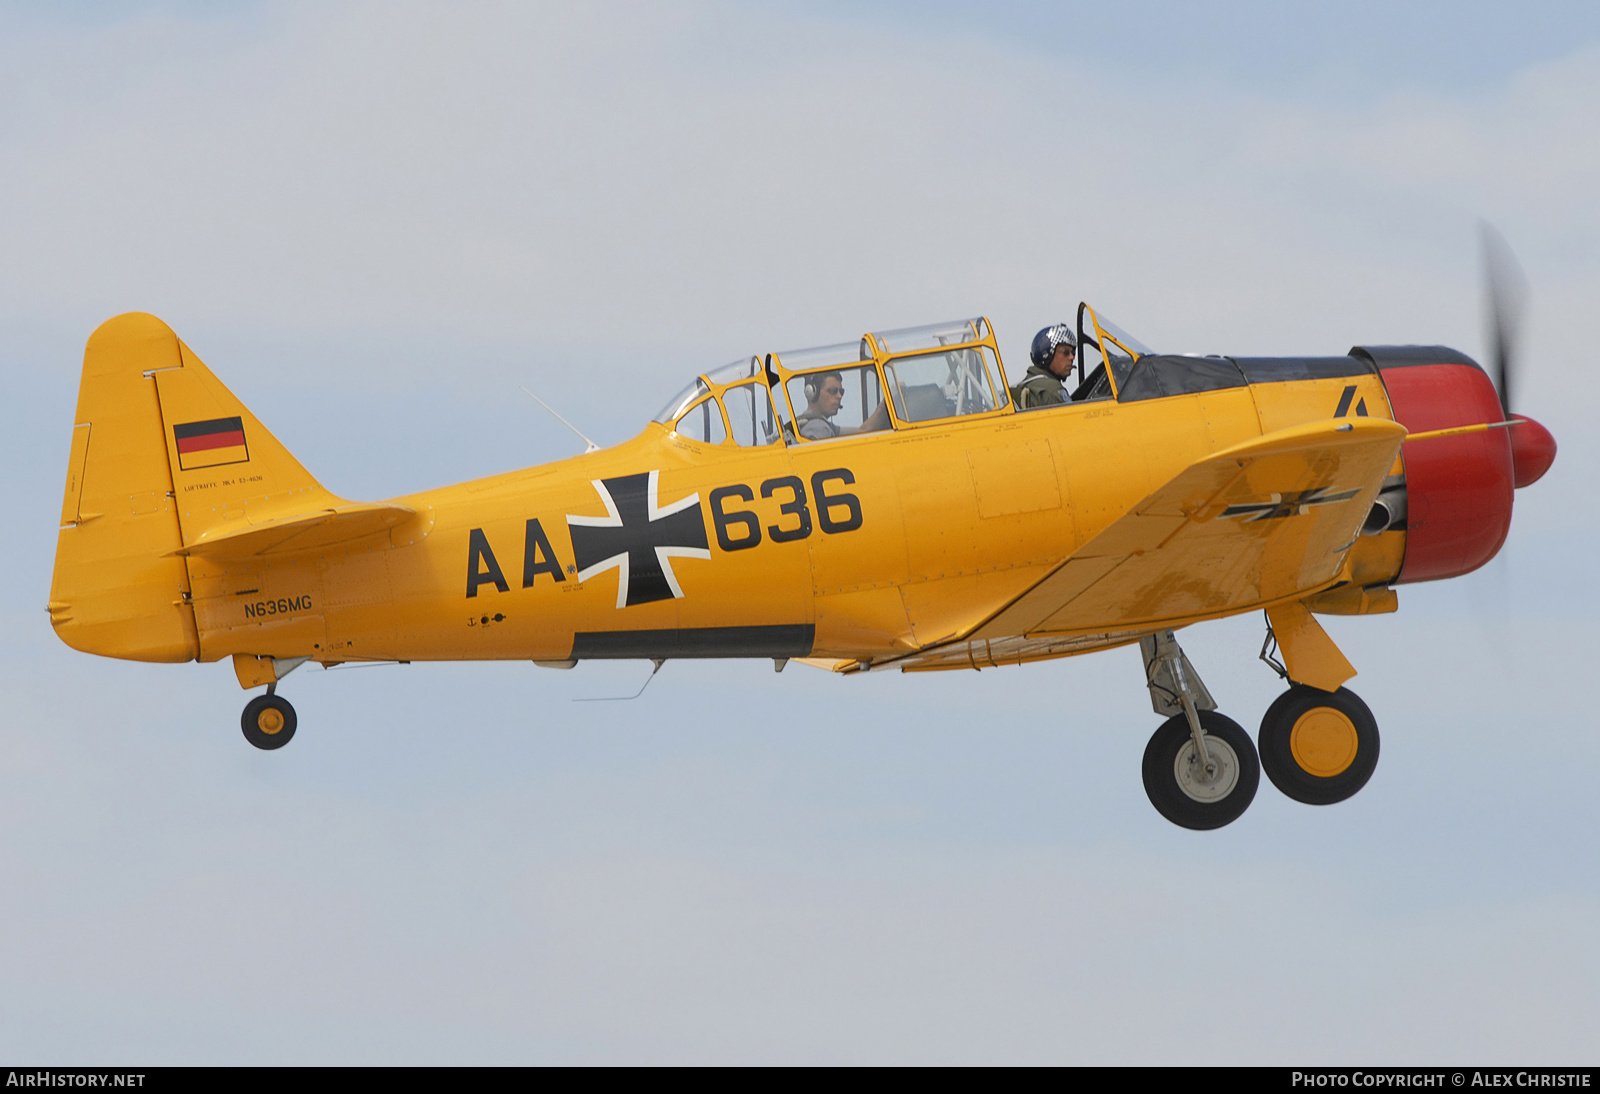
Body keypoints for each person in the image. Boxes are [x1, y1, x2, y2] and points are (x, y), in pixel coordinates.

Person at [796, 369, 891, 440]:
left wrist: (885, 403)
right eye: (833, 391)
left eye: (841, 391)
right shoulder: (818, 428)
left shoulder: (822, 425)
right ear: (812, 393)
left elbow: (864, 430)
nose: (839, 396)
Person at [1013, 323, 1077, 410]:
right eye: (1066, 352)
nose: (1072, 357)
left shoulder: (1027, 386)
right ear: (1047, 354)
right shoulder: (1052, 390)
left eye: (1073, 352)